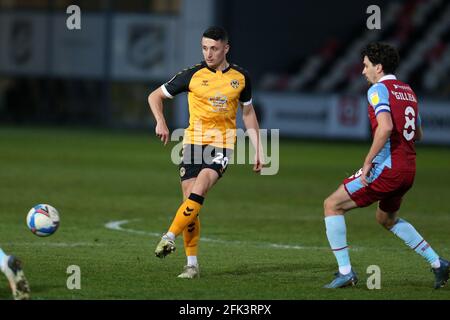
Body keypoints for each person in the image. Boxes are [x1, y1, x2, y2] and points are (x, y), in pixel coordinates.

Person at [322, 42, 449, 289]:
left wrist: (368, 161)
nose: (363, 71)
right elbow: (419, 133)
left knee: (332, 205)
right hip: (408, 170)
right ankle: (438, 263)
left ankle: (346, 272)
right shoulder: (408, 90)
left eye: (366, 65)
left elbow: (386, 126)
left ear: (378, 67)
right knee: (386, 218)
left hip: (387, 169)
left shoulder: (378, 90)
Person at [147, 26, 264, 279]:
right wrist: (160, 121)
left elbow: (248, 112)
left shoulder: (241, 78)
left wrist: (258, 148)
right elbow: (154, 96)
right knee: (190, 202)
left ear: (226, 48)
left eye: (213, 48)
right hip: (191, 144)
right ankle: (192, 265)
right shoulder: (192, 75)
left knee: (199, 190)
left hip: (221, 145)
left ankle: (168, 236)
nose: (208, 53)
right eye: (204, 48)